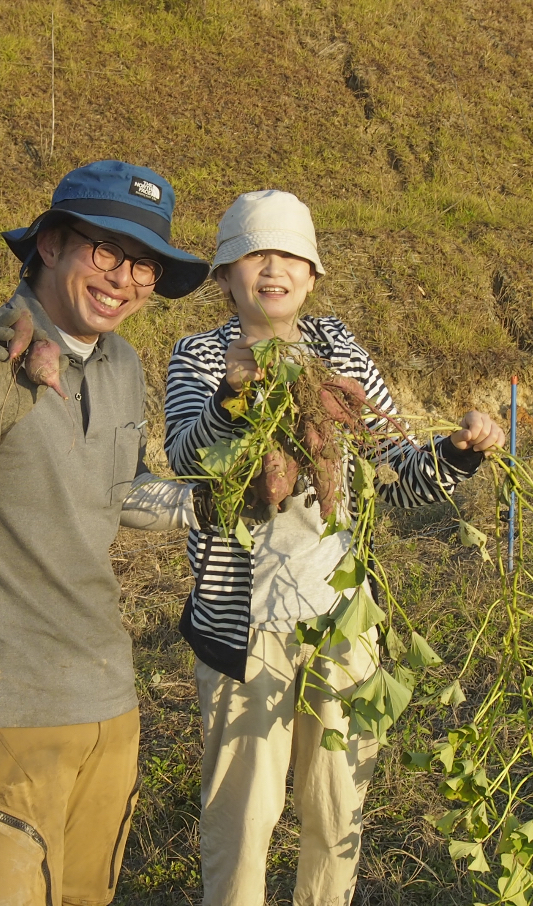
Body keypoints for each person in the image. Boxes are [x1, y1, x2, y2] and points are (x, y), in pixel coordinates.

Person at [163, 190, 506, 906]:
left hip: (343, 621)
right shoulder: (198, 356)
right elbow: (191, 461)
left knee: (336, 814)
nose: (273, 269)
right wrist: (235, 394)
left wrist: (460, 448)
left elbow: (403, 475)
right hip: (244, 630)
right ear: (225, 275)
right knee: (243, 820)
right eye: (255, 254)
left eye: (290, 254)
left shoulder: (337, 349)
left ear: (313, 273)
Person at [0, 160, 207, 906]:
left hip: (108, 695)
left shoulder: (124, 362)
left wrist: (210, 506)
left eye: (142, 264)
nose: (125, 278)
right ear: (50, 245)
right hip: (10, 700)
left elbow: (121, 493)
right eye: (106, 250)